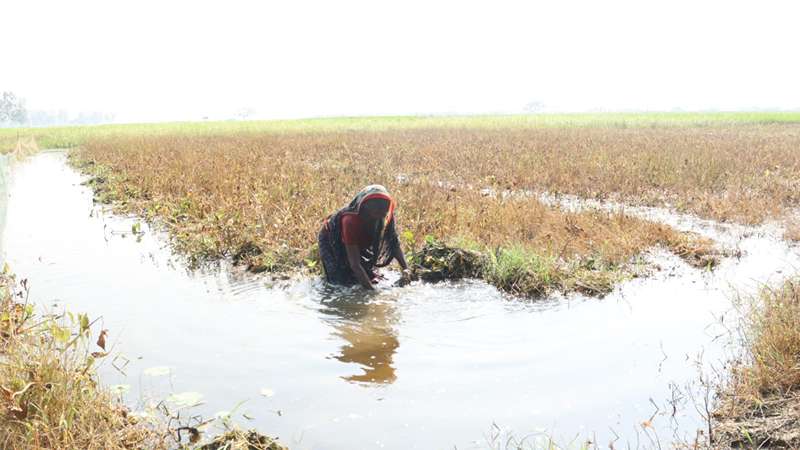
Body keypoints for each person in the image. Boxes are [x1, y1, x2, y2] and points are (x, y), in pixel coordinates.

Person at [318, 185, 410, 290]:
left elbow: (394, 243)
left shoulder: (384, 214)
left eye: (382, 214)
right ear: (365, 209)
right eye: (375, 214)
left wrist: (406, 269)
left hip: (358, 237)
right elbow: (355, 264)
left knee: (368, 275)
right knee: (339, 282)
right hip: (332, 240)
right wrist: (371, 292)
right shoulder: (350, 220)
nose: (378, 219)